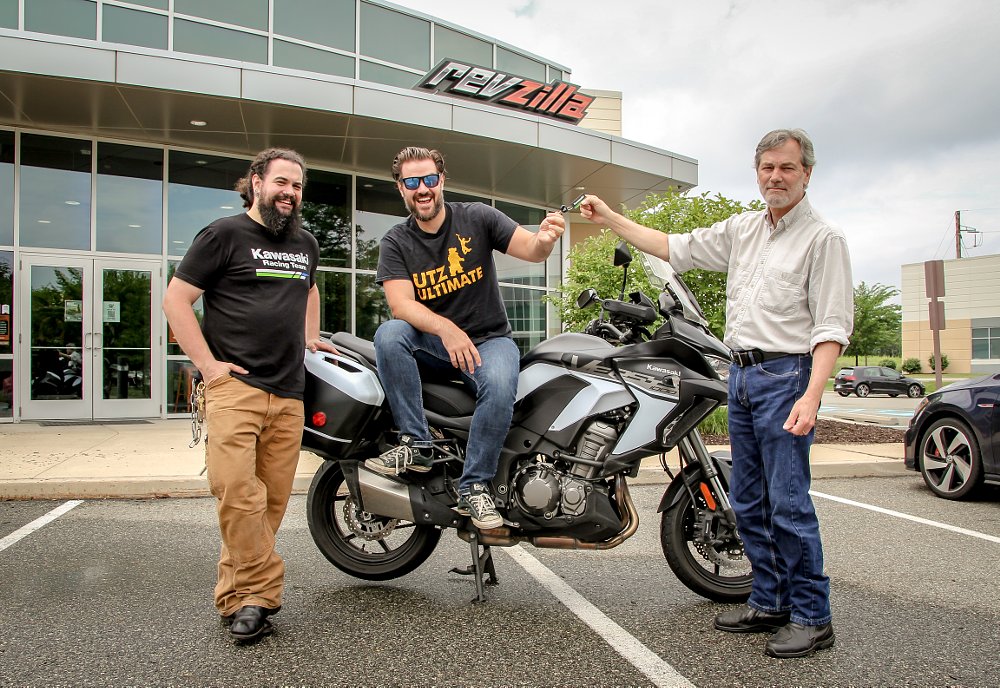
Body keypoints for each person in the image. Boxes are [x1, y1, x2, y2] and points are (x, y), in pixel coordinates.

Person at [580, 129, 852, 659]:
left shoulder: (824, 239)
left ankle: (814, 617)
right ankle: (770, 600)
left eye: (787, 168)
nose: (776, 177)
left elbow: (832, 326)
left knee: (788, 504)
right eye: (768, 167)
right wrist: (611, 217)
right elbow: (671, 247)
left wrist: (812, 395)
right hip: (742, 375)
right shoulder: (745, 229)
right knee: (748, 499)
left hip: (787, 377)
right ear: (758, 172)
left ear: (806, 174)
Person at [162, 147, 335, 644]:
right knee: (237, 492)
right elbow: (176, 299)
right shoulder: (223, 235)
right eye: (281, 182)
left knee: (270, 502)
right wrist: (208, 366)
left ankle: (235, 597)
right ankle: (263, 593)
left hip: (289, 392)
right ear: (256, 182)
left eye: (298, 186)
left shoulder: (304, 242)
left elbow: (310, 289)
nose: (290, 193)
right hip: (235, 387)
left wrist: (310, 336)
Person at [365, 146, 565, 530]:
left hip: (490, 340)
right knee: (390, 334)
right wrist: (446, 328)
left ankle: (474, 487)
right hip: (434, 342)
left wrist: (545, 239)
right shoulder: (396, 241)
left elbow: (532, 250)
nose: (421, 189)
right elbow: (401, 305)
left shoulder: (477, 217)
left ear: (441, 181)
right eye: (411, 182)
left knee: (502, 382)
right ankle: (417, 445)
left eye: (428, 179)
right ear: (400, 188)